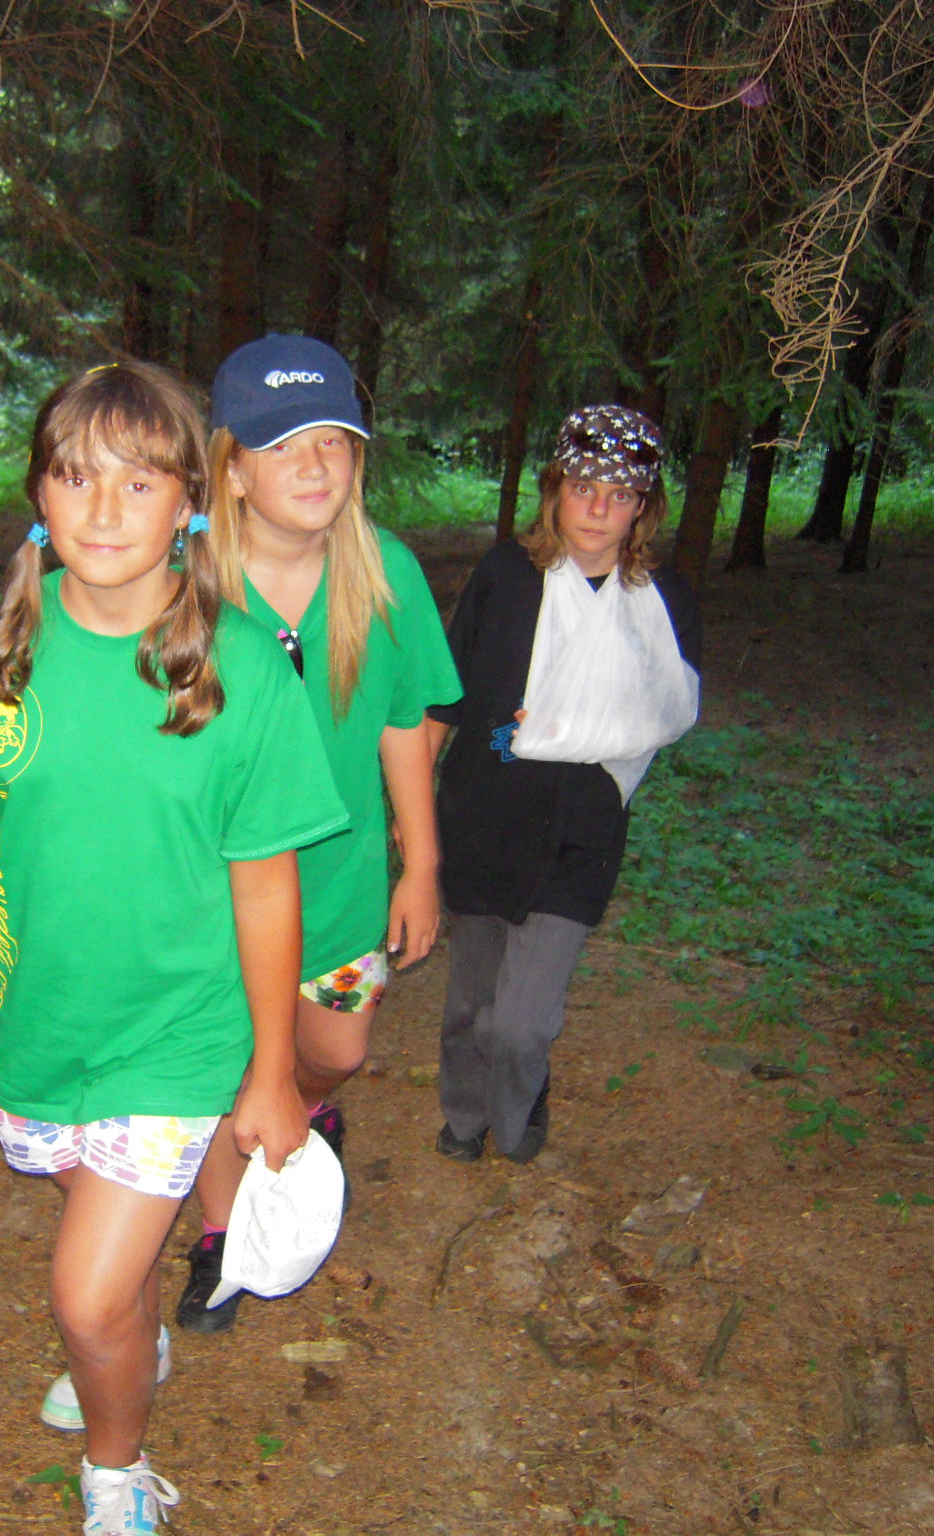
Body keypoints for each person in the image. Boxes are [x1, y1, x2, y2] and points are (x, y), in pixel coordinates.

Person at [0, 361, 346, 1535]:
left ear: (189, 499)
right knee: (104, 1260)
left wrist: (271, 1071)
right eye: (74, 477)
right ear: (38, 494)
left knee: (84, 1297)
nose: (100, 511)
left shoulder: (239, 668)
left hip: (178, 1036)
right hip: (38, 1025)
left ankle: (116, 1468)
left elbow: (265, 885)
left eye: (136, 484)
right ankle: (131, 1346)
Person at [176, 335, 462, 1334]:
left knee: (335, 1049)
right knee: (222, 1070)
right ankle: (224, 1233)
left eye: (331, 441)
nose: (312, 465)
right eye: (280, 444)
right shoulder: (185, 584)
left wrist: (420, 863)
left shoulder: (384, 572)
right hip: (214, 895)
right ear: (231, 469)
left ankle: (296, 1100)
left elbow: (406, 720)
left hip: (340, 884)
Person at [422, 404, 701, 1165]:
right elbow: (445, 698)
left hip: (582, 828)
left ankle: (519, 1110)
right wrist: (413, 815)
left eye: (619, 494)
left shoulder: (663, 601)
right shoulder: (507, 577)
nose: (598, 508)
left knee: (519, 1023)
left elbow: (666, 712)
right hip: (482, 813)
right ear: (556, 491)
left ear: (643, 507)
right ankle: (465, 1117)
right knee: (471, 1004)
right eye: (584, 488)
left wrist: (572, 723)